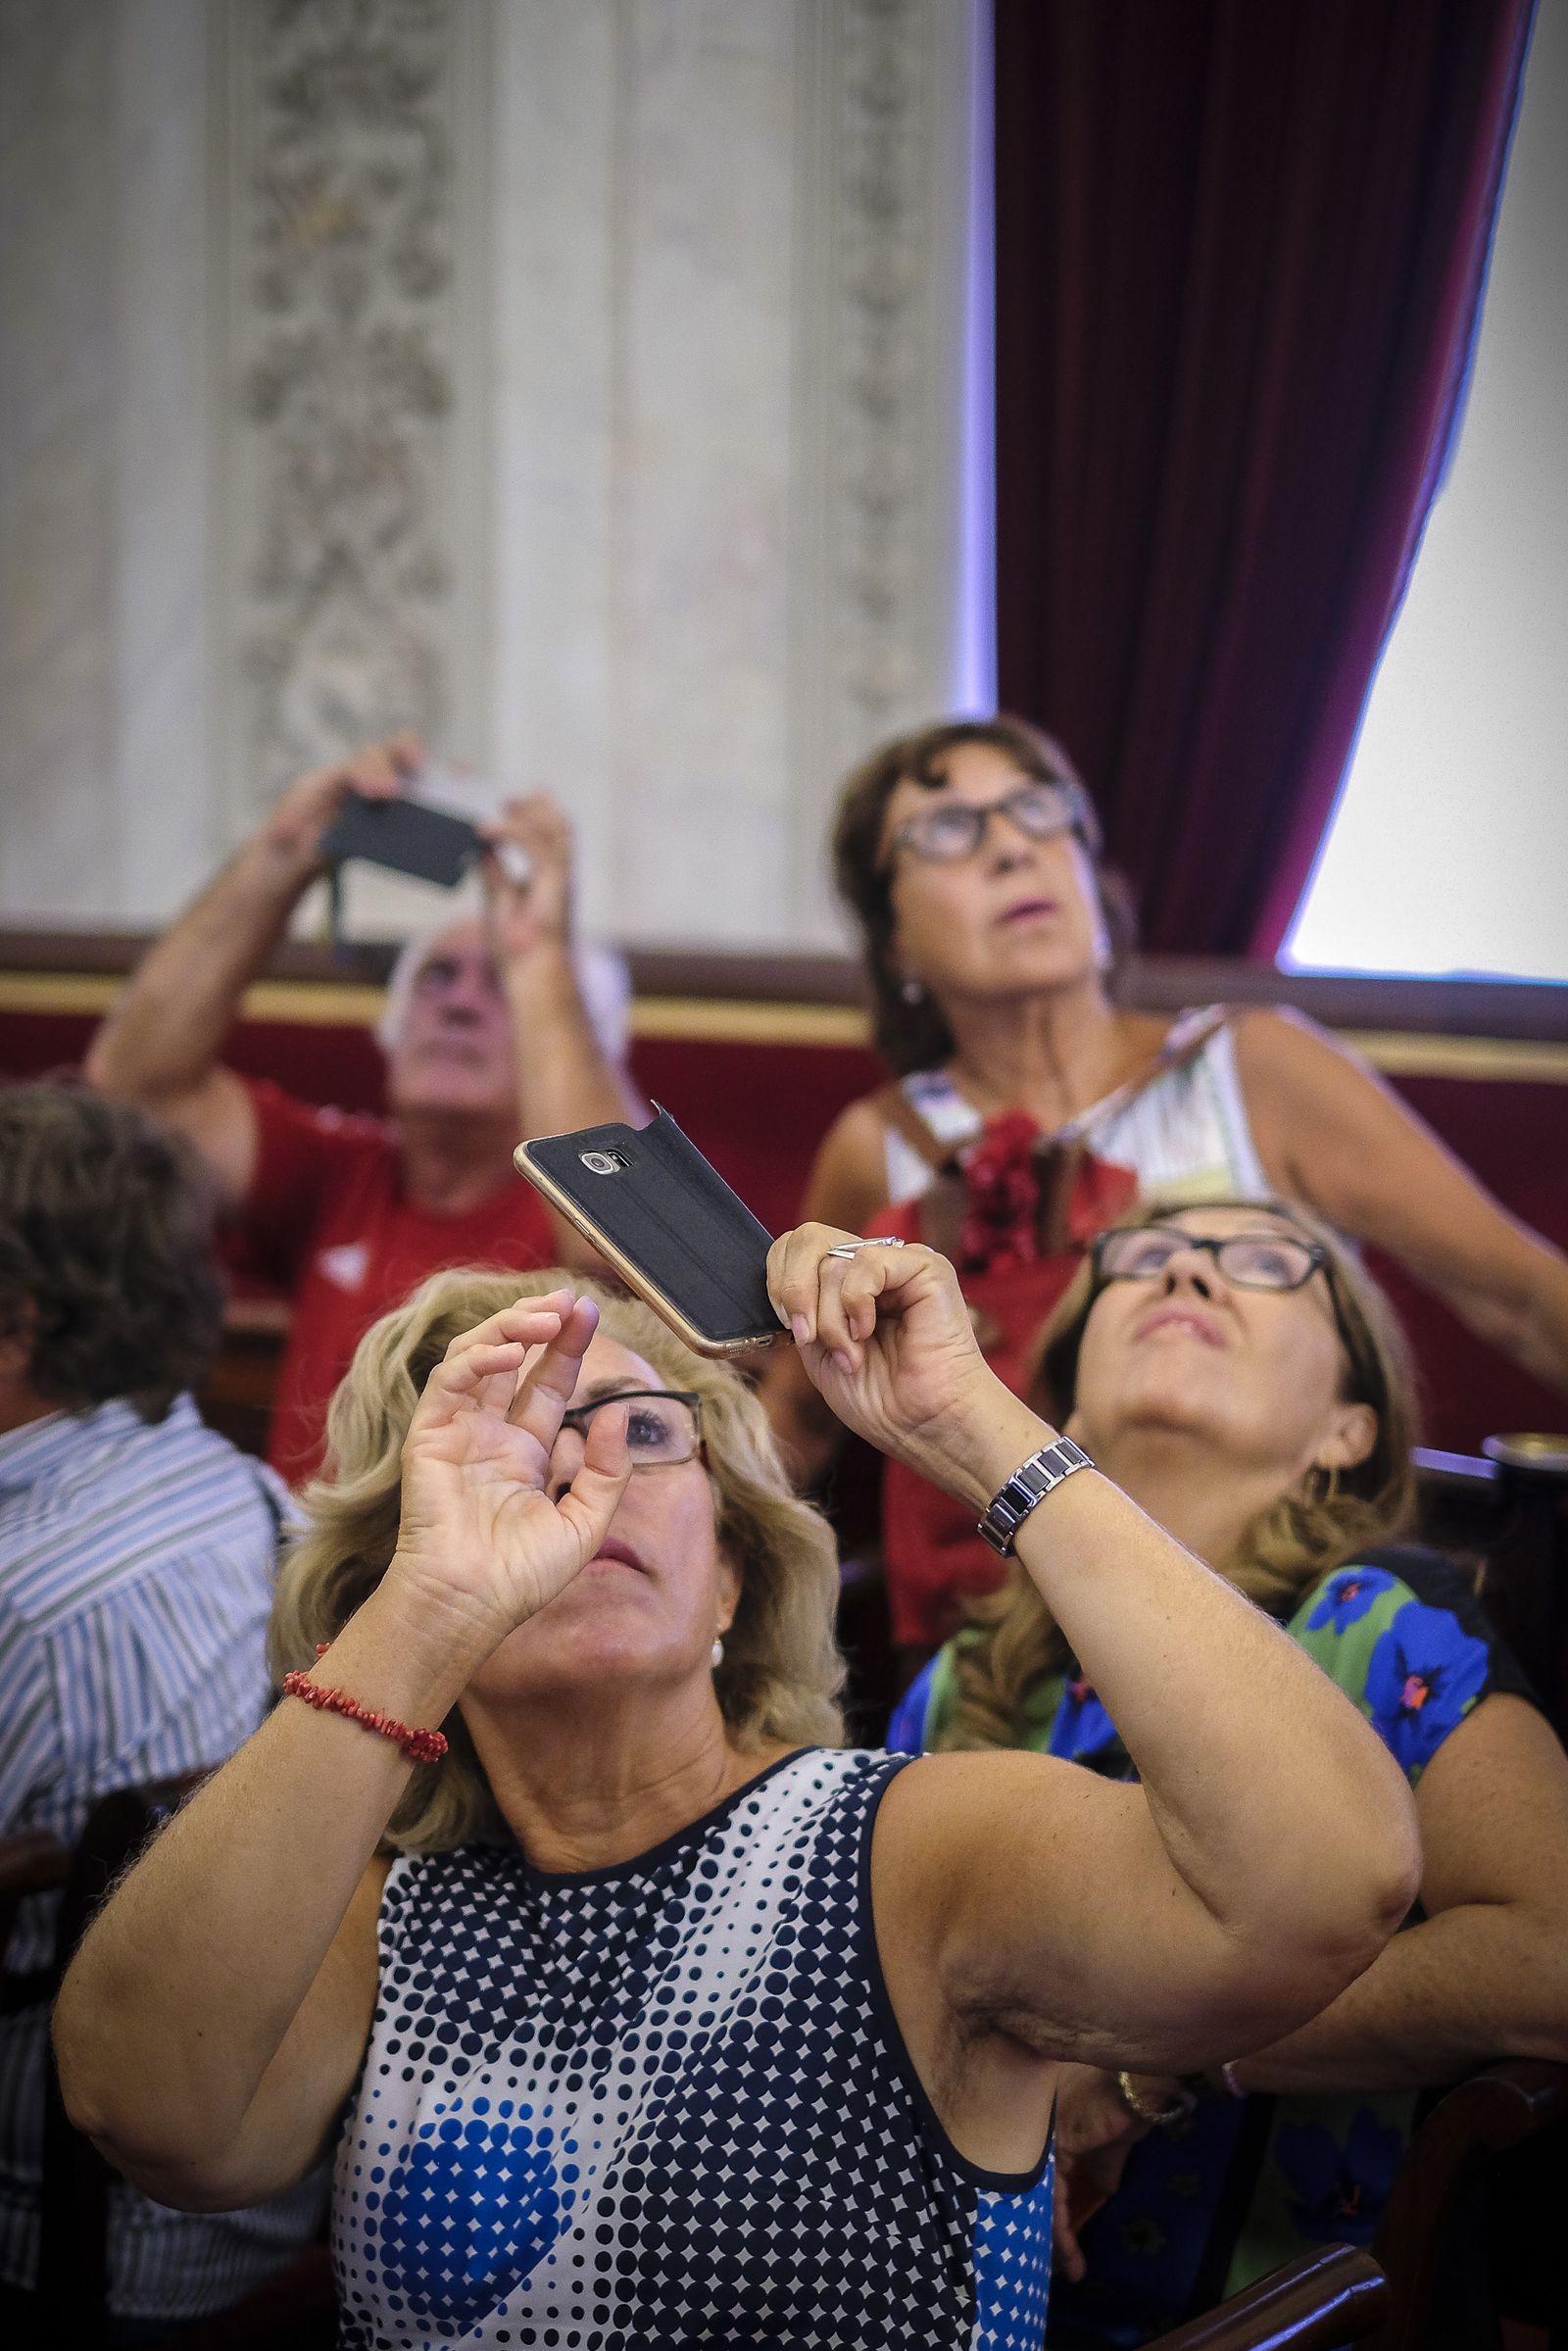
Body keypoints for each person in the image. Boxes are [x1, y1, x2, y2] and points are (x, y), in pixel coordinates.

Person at [52, 1226, 1419, 2349]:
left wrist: (974, 1426)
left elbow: (1327, 1877)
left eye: (641, 1431)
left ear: (730, 1577)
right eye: (514, 1447)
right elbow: (146, 2108)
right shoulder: (376, 1913)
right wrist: (430, 1606)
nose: (579, 1477)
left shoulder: (907, 1846)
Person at [888, 1197, 1568, 2345]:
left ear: (1347, 1429)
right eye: (1142, 1258)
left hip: (1293, 2313)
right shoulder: (960, 1682)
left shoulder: (1382, 1624)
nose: (1186, 1277)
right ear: (1067, 1407)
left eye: (1260, 1262)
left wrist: (1155, 2057)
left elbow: (1551, 1956)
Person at [761, 714, 1568, 1663]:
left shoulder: (1252, 1067)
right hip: (997, 1659)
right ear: (893, 942)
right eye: (947, 828)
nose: (1013, 847)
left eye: (1036, 810)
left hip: (1284, 1616)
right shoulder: (881, 1145)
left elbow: (1519, 1296)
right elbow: (796, 1420)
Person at [84, 734, 644, 1485]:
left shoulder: (569, 1212)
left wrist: (539, 950)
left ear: (565, 1041)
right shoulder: (342, 1171)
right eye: (437, 977)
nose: (458, 1004)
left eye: (497, 985)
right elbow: (138, 1091)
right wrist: (284, 855)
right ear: (389, 1032)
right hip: (303, 1581)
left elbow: (631, 1247)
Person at [0, 1085, 324, 2344]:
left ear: (19, 1319)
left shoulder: (24, 1595)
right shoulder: (255, 1495)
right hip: (267, 2181)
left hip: (54, 2223)